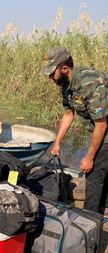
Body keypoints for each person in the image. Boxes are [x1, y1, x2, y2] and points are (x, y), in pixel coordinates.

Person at [40, 45, 108, 217]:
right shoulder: (67, 84)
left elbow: (101, 125)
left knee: (92, 175)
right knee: (101, 173)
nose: (49, 77)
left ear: (64, 68)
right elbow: (69, 113)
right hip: (101, 128)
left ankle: (89, 221)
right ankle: (101, 209)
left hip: (104, 128)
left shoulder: (90, 83)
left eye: (51, 72)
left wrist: (89, 157)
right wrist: (57, 143)